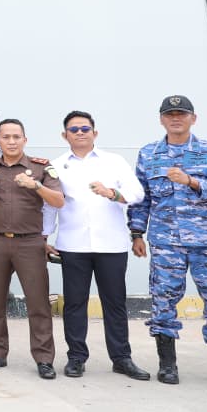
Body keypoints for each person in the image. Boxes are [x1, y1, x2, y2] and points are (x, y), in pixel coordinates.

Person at [44, 110, 151, 381]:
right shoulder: (56, 165)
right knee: (74, 304)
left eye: (85, 129)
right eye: (74, 129)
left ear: (95, 133)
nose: (80, 133)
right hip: (73, 245)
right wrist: (44, 237)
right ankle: (76, 357)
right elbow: (51, 204)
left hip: (111, 245)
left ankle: (121, 358)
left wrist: (112, 193)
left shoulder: (114, 162)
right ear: (64, 135)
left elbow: (137, 193)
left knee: (114, 303)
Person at [130, 95, 207, 385]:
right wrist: (136, 233)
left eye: (182, 114)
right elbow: (141, 198)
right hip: (166, 242)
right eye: (170, 114)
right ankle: (167, 364)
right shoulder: (149, 154)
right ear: (161, 120)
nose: (176, 118)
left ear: (193, 118)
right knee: (163, 300)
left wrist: (190, 181)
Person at [0, 118, 65, 379]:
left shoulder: (41, 168)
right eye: (6, 137)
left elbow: (58, 200)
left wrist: (36, 185)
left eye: (16, 137)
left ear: (25, 140)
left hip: (30, 243)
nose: (12, 141)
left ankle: (44, 358)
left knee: (38, 303)